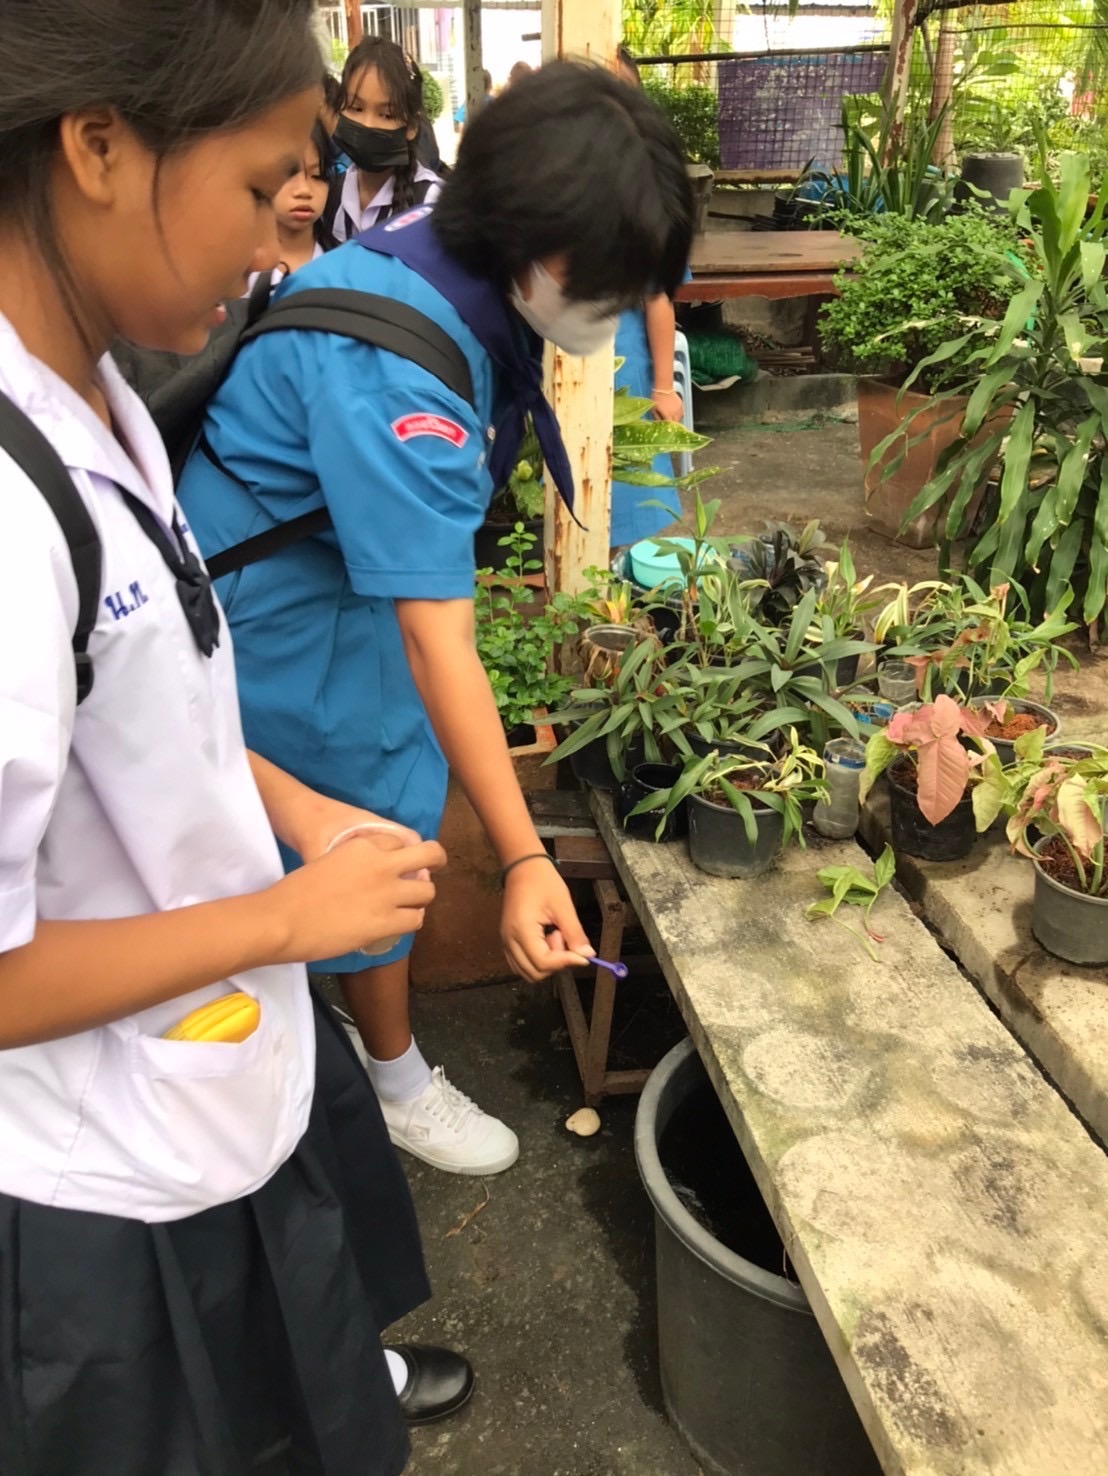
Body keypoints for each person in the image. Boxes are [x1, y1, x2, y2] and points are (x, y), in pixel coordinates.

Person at [0, 1, 473, 1471]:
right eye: (264, 185)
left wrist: (297, 813)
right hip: (104, 1192)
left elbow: (145, 710)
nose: (282, 241)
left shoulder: (106, 398)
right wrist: (284, 918)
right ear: (98, 147)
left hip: (215, 1083)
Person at [177, 61, 693, 1177]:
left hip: (329, 569)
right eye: (605, 286)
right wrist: (522, 857)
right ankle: (364, 1081)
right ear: (531, 238)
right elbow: (435, 636)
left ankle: (353, 1055)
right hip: (277, 615)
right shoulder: (399, 379)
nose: (612, 313)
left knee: (374, 806)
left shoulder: (433, 253)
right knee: (353, 831)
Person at [611, 44, 687, 547]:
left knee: (630, 499)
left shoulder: (646, 193)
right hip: (554, 366)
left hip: (627, 369)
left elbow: (657, 297)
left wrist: (663, 388)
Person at [325, 36, 441, 244]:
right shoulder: (330, 195)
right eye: (355, 108)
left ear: (411, 126)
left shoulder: (432, 202)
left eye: (387, 115)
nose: (368, 124)